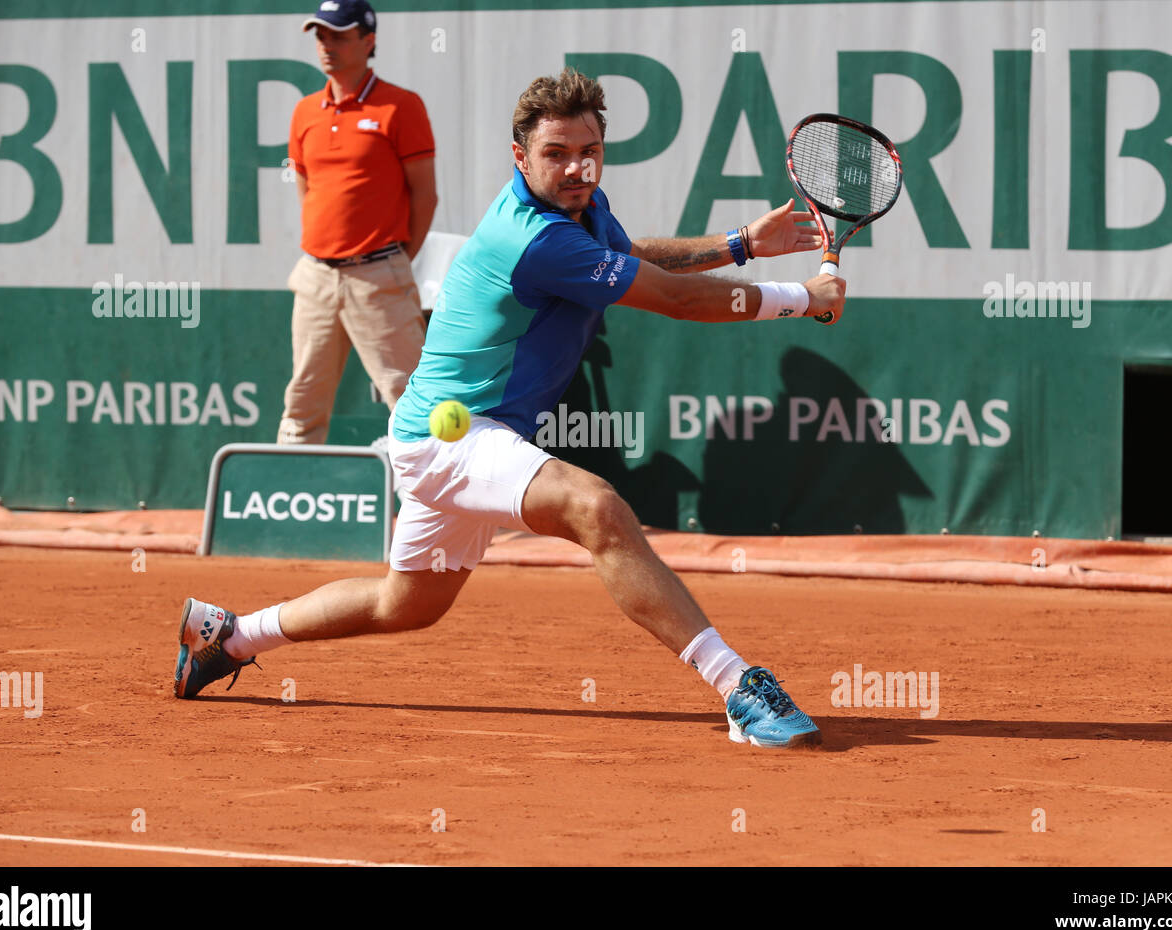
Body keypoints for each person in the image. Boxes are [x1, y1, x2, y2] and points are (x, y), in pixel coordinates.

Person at [176, 68, 846, 749]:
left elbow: (627, 255)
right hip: (451, 438)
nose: (576, 166)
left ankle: (227, 637)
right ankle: (738, 687)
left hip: (455, 438)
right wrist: (803, 296)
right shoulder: (535, 238)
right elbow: (675, 300)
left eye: (588, 150)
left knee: (403, 606)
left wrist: (740, 246)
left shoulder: (579, 211)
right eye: (556, 153)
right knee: (598, 508)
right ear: (521, 158)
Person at [277, 0, 437, 445]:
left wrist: (391, 261)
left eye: (339, 35)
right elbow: (306, 188)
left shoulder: (401, 106)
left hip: (379, 275)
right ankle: (290, 506)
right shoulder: (305, 111)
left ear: (369, 42)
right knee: (303, 402)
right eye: (320, 35)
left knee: (414, 402)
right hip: (315, 276)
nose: (326, 45)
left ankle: (443, 512)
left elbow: (425, 195)